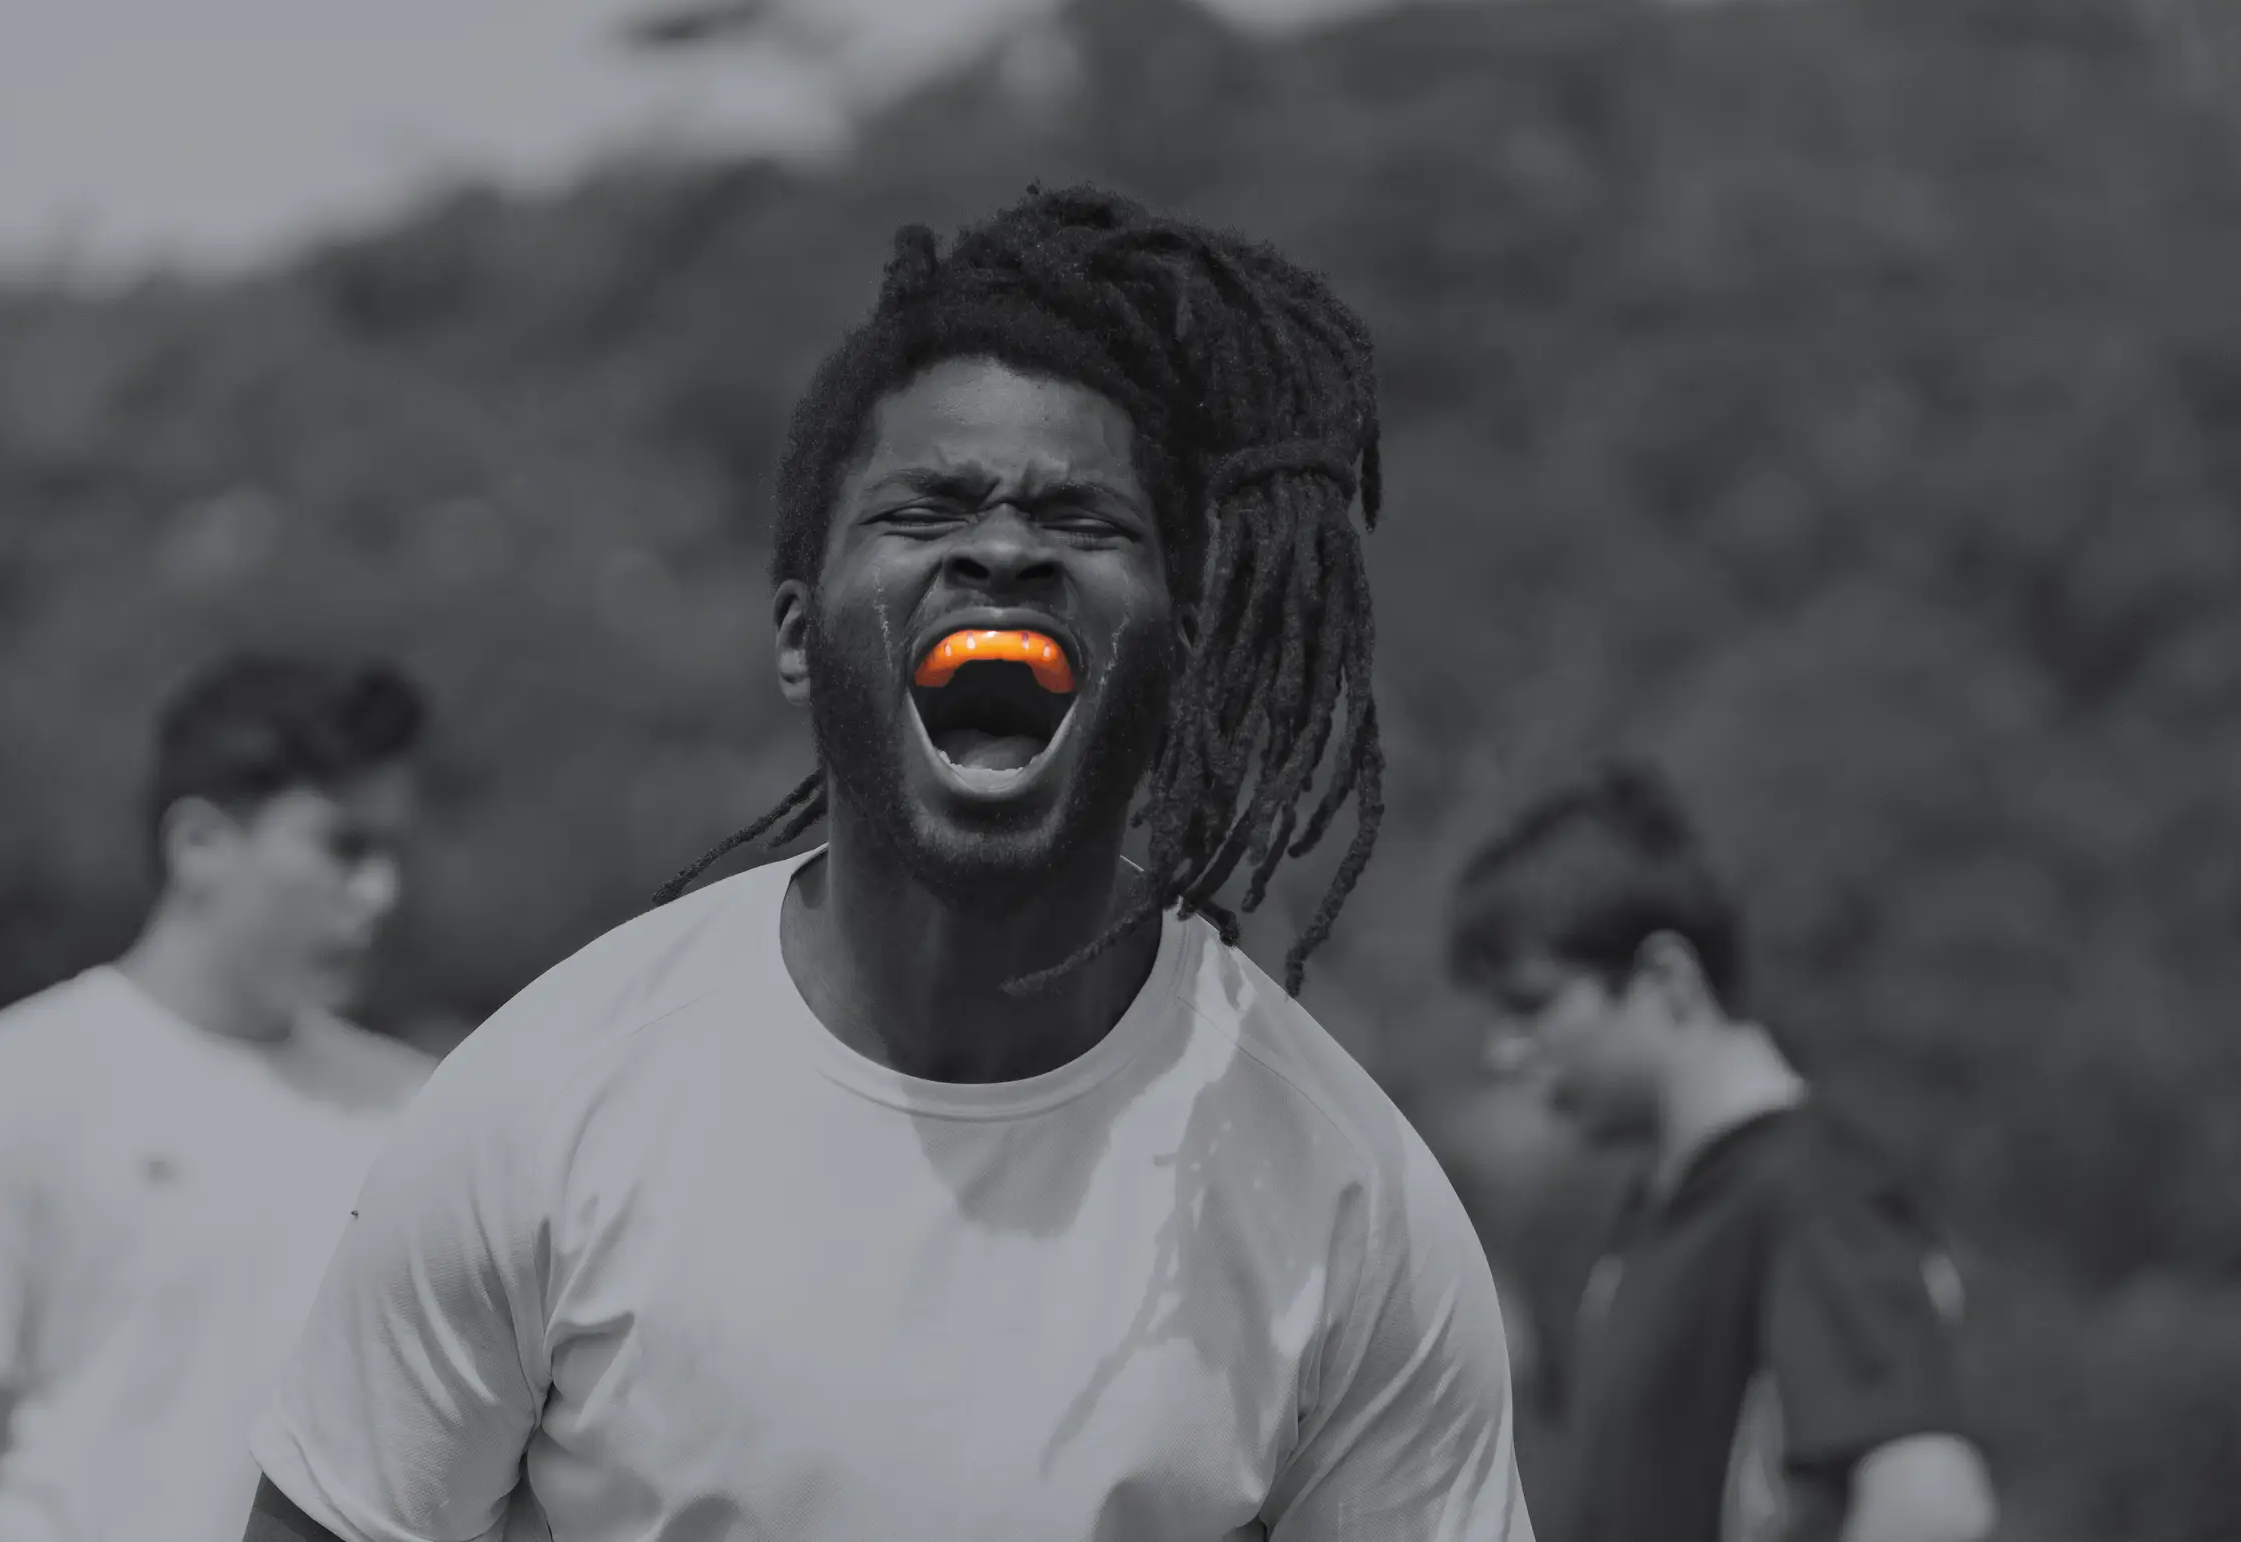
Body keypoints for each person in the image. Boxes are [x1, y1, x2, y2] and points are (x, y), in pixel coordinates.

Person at [244, 187, 1534, 1542]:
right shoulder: (548, 1105)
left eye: (1084, 521)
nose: (1004, 546)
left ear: (1183, 650)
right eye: (927, 508)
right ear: (799, 635)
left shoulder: (1337, 1181)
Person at [0, 653, 441, 1542]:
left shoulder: (422, 1112)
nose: (379, 892)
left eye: (393, 852)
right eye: (344, 845)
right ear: (198, 842)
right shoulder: (7, 1087)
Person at [1444, 761, 1999, 1542]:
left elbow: (1930, 1504)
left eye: (1533, 1006)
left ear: (1665, 976)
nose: (1505, 1053)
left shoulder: (1813, 1192)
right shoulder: (1658, 1208)